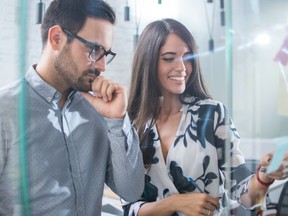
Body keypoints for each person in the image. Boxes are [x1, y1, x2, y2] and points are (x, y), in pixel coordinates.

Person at [122, 18, 288, 216]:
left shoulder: (212, 115)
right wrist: (175, 203)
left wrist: (265, 176)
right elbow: (129, 208)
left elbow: (248, 198)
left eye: (188, 57)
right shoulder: (131, 125)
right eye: (169, 58)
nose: (182, 67)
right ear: (148, 62)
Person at [0, 0, 145, 215]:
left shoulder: (101, 112)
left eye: (106, 54)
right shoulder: (5, 111)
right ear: (57, 38)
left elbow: (131, 191)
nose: (102, 65)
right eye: (94, 49)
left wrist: (117, 119)